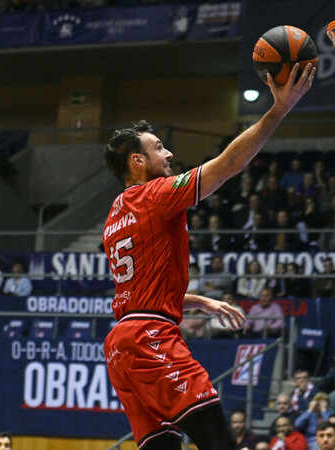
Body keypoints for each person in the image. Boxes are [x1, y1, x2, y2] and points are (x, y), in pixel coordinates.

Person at [100, 61, 315, 450]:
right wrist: (279, 108)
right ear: (137, 162)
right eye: (159, 148)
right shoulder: (154, 194)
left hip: (120, 345)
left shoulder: (115, 212)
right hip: (150, 337)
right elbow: (230, 165)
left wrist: (199, 301)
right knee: (218, 441)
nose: (169, 154)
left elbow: (140, 291)